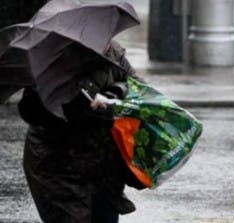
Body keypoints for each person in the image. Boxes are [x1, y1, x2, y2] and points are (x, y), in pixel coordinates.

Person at [18, 41, 144, 223]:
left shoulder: (111, 52)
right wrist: (71, 106)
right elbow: (30, 111)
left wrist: (113, 94)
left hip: (102, 164)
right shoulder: (48, 58)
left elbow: (137, 87)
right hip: (58, 166)